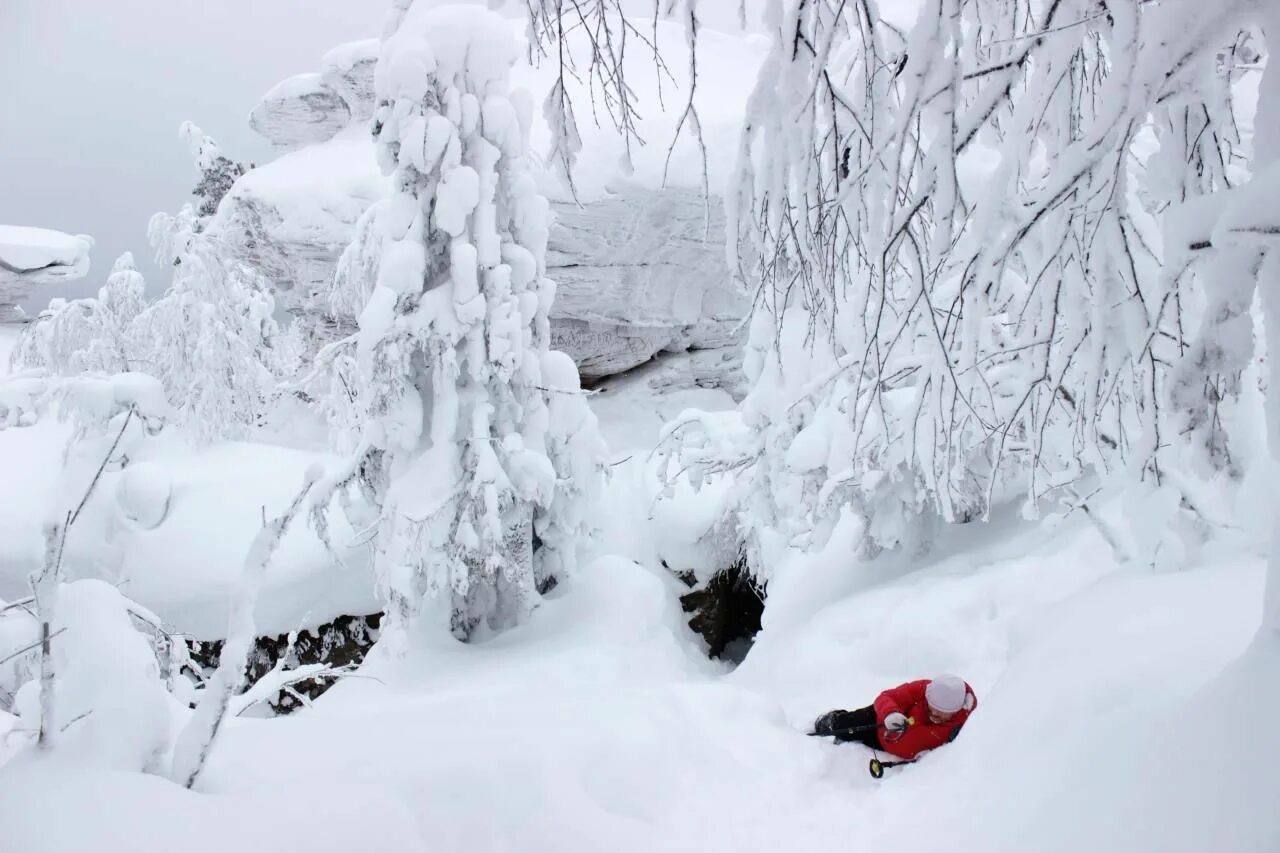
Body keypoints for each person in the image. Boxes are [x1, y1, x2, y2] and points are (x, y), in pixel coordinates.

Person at [811, 674, 977, 761]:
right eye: (931, 708)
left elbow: (912, 743)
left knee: (854, 735)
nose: (933, 715)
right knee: (845, 724)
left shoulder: (961, 726)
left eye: (940, 713)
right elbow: (888, 697)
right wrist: (891, 714)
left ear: (954, 710)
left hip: (886, 741)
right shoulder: (926, 688)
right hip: (883, 720)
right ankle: (829, 722)